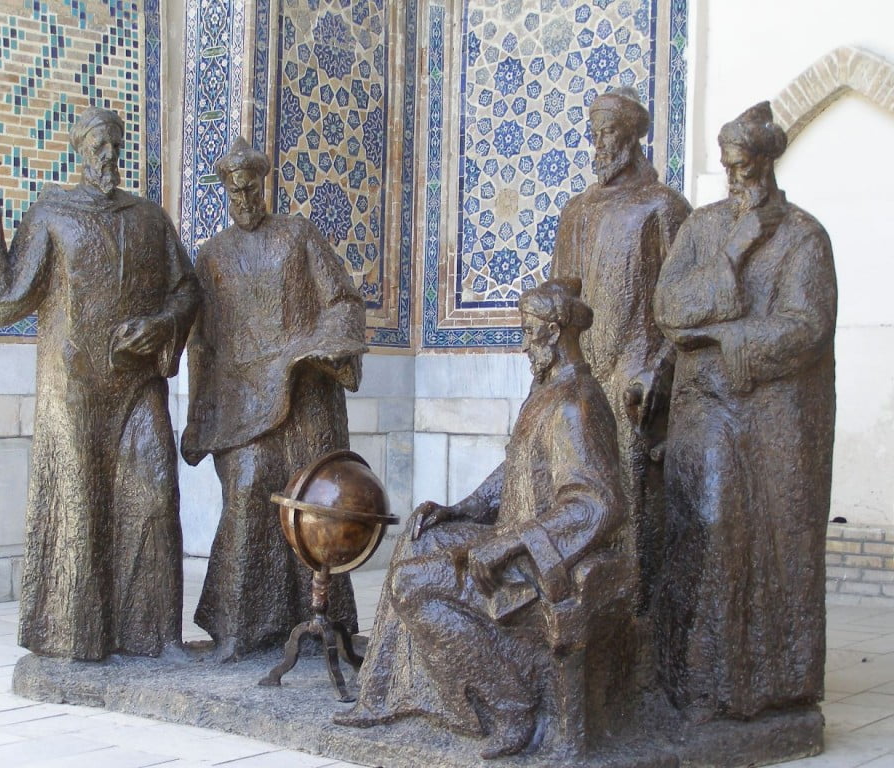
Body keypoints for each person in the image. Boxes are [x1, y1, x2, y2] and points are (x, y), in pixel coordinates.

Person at [334, 280, 627, 760]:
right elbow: (516, 471)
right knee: (421, 535)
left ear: (554, 334)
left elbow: (598, 503)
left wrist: (513, 544)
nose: (524, 344)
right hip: (515, 543)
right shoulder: (548, 391)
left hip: (538, 564)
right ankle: (388, 692)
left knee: (411, 584)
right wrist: (462, 509)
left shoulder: (577, 404)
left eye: (529, 333)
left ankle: (510, 706)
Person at [0, 106, 199, 661]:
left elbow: (187, 291)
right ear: (79, 152)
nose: (106, 156)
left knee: (156, 496)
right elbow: (7, 299)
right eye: (95, 147)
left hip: (138, 388)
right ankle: (77, 640)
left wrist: (160, 326)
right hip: (75, 388)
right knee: (81, 509)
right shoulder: (52, 213)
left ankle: (157, 635)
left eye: (113, 145)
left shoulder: (149, 219)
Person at [653, 101, 837, 721]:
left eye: (745, 167)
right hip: (702, 412)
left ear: (766, 162)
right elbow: (669, 307)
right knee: (701, 534)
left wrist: (730, 338)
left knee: (767, 547)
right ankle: (692, 680)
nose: (736, 180)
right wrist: (729, 258)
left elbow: (807, 327)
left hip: (773, 420)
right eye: (728, 168)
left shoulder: (804, 236)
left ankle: (772, 686)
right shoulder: (704, 229)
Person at [182, 137, 367, 661]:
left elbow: (342, 302)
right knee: (246, 493)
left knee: (314, 504)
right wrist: (202, 421)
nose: (244, 200)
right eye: (233, 193)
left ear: (263, 184)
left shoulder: (297, 236)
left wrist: (315, 349)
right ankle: (238, 628)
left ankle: (323, 622)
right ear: (223, 192)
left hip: (304, 399)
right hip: (244, 407)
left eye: (251, 189)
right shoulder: (212, 257)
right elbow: (203, 344)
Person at [549, 87, 691, 610]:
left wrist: (662, 367)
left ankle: (642, 618)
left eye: (607, 131)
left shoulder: (664, 208)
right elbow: (558, 299)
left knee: (635, 502)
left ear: (632, 136)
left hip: (635, 377)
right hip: (582, 376)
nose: (598, 143)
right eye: (593, 133)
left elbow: (684, 303)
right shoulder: (576, 213)